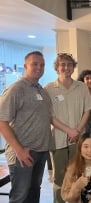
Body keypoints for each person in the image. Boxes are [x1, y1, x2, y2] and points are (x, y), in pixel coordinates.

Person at [0, 51, 53, 203]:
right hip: (23, 153)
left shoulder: (41, 91)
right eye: (34, 64)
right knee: (20, 196)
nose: (39, 67)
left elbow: (49, 118)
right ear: (25, 66)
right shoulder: (16, 89)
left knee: (34, 193)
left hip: (41, 151)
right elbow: (2, 121)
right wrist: (19, 150)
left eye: (42, 65)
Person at [44, 53, 91, 203]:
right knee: (60, 178)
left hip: (78, 140)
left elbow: (88, 110)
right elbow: (50, 116)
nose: (66, 67)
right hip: (58, 140)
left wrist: (77, 130)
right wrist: (69, 130)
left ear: (73, 67)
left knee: (79, 175)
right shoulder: (49, 89)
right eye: (62, 65)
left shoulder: (82, 87)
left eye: (69, 64)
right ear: (57, 67)